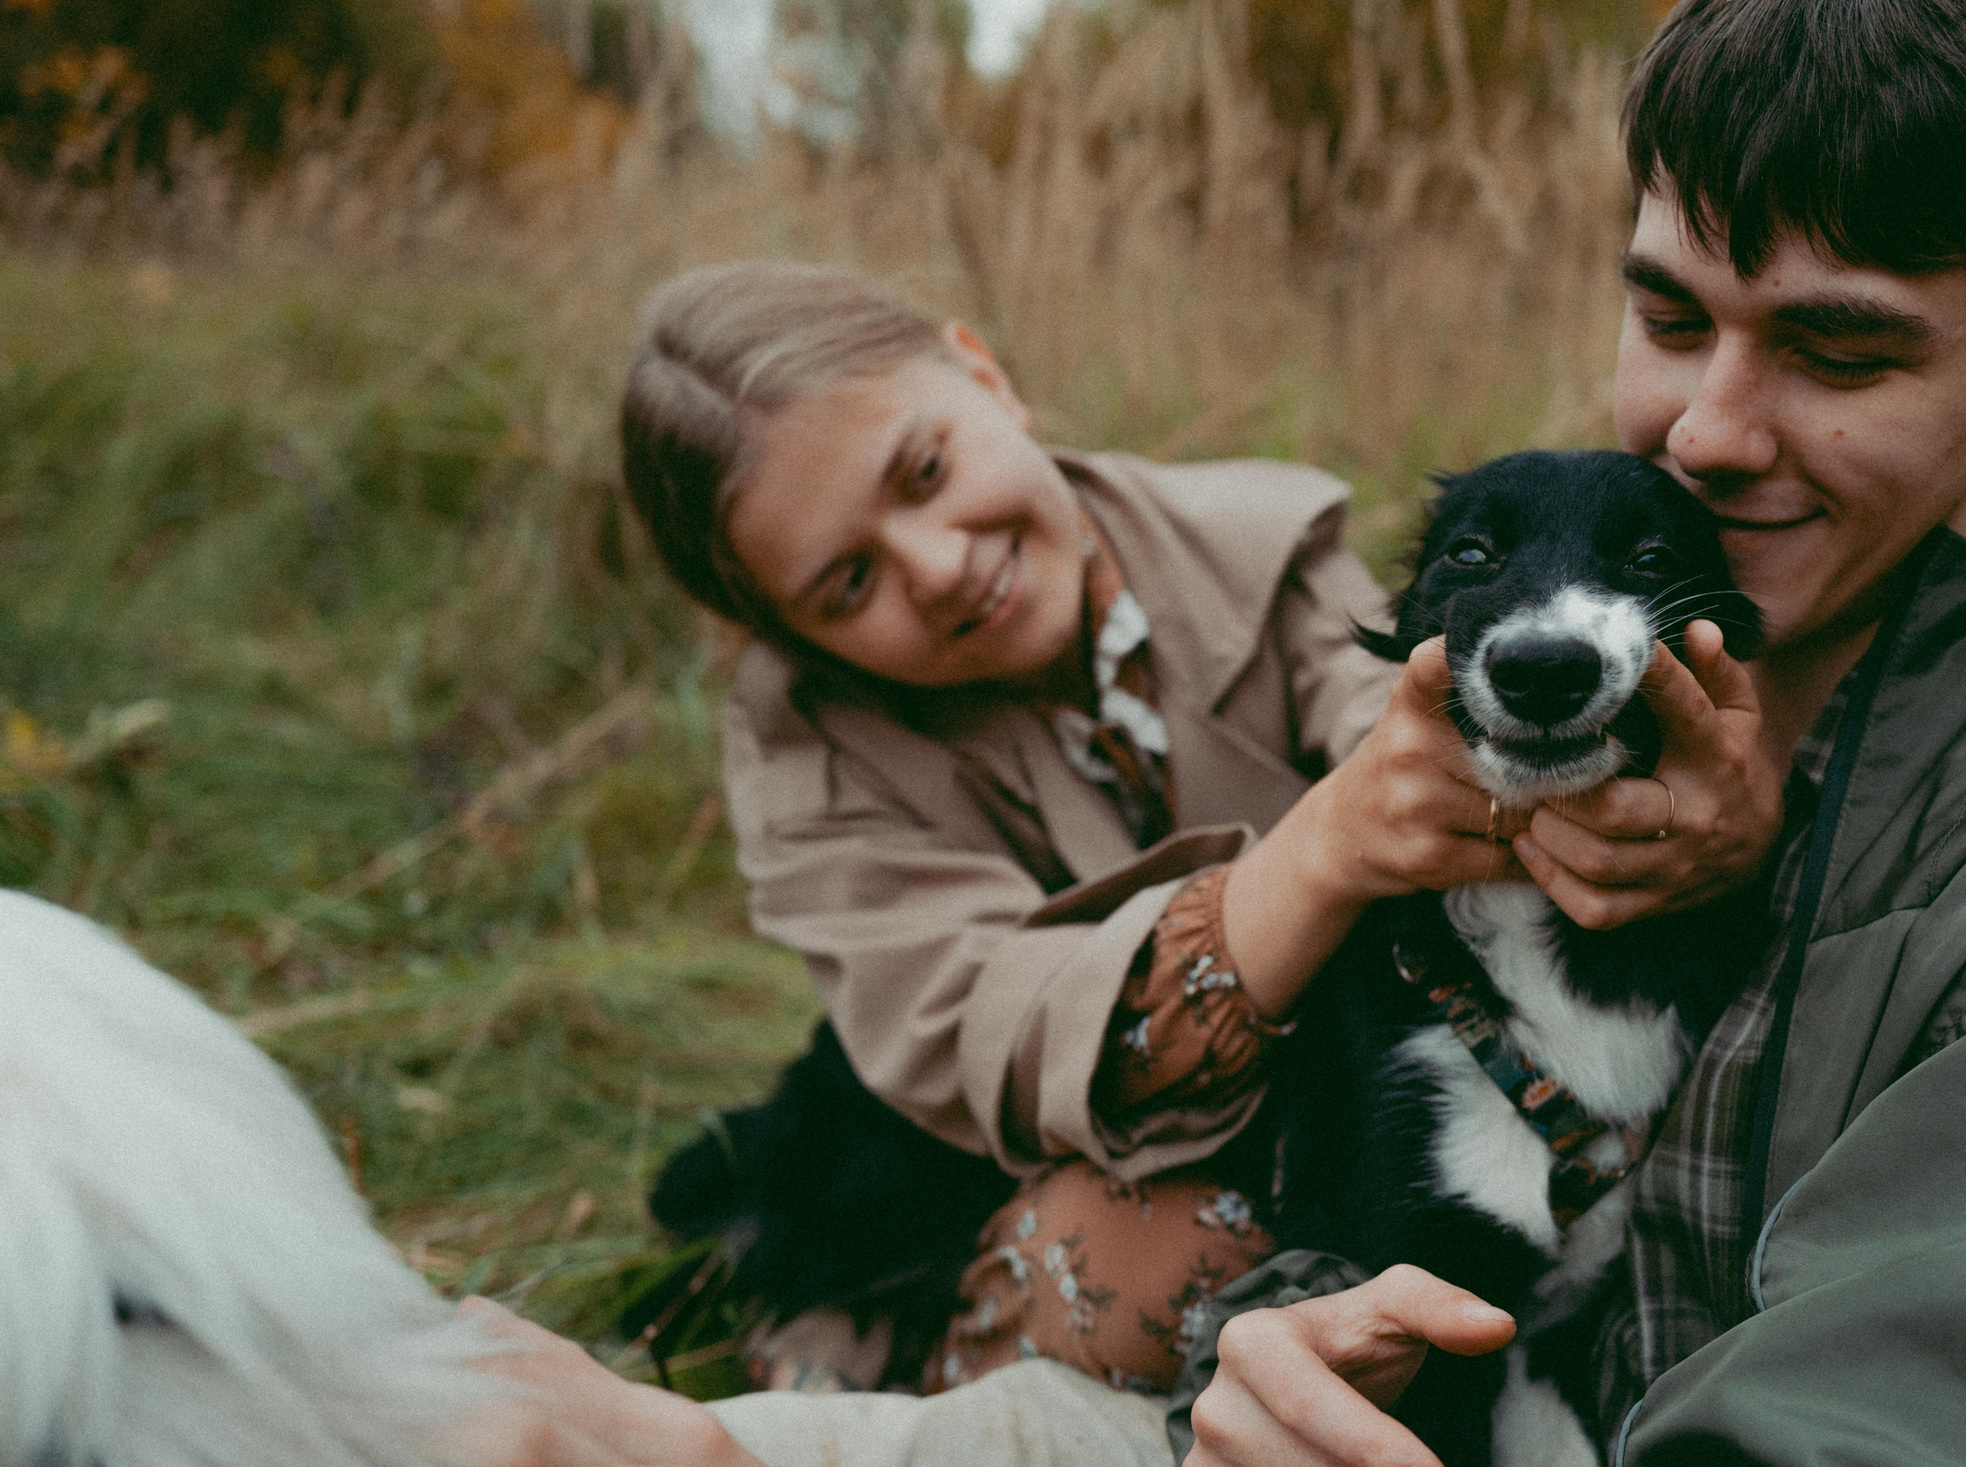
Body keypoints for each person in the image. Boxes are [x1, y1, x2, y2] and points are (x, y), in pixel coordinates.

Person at [423, 0, 1966, 1467]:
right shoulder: (1591, 664)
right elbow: (1339, 1104)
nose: (1707, 429)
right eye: (1665, 312)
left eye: (1833, 351)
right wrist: (1284, 1341)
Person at [617, 262, 1770, 1402]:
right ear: (781, 633)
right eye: (846, 582)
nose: (939, 564)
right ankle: (863, 1325)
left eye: (925, 470)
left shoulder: (1254, 547)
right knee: (1129, 1268)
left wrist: (1663, 798)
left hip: (1317, 1092)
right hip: (975, 1150)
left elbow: (1382, 701)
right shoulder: (811, 763)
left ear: (984, 376)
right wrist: (1327, 848)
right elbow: (979, 1034)